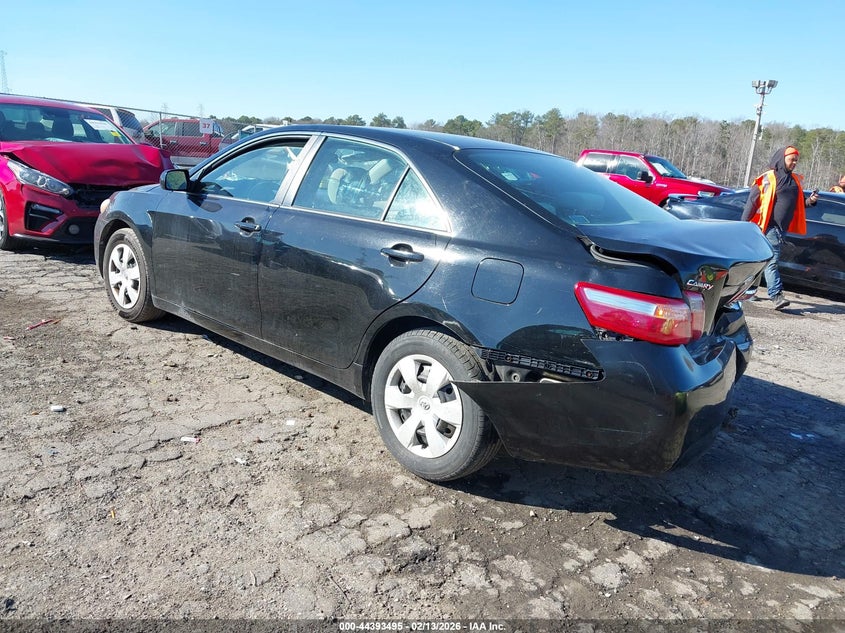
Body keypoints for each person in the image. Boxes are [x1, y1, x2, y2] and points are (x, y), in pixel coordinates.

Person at [742, 146, 818, 310]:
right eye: (792, 159)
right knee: (772, 260)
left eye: (797, 160)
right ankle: (776, 296)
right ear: (782, 159)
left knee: (760, 260)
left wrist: (810, 201)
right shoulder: (768, 178)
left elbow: (800, 204)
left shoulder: (795, 181)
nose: (795, 163)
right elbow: (752, 201)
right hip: (768, 227)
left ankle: (747, 291)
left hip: (781, 230)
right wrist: (743, 224)